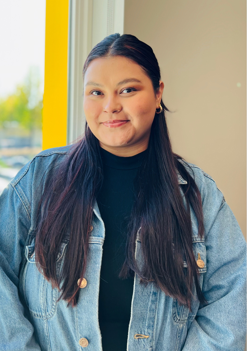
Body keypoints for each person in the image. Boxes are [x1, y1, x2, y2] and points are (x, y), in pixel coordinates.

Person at [0, 33, 246, 351]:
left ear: (158, 94)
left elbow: (233, 297)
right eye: (96, 92)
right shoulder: (40, 180)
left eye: (128, 90)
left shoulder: (199, 195)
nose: (110, 106)